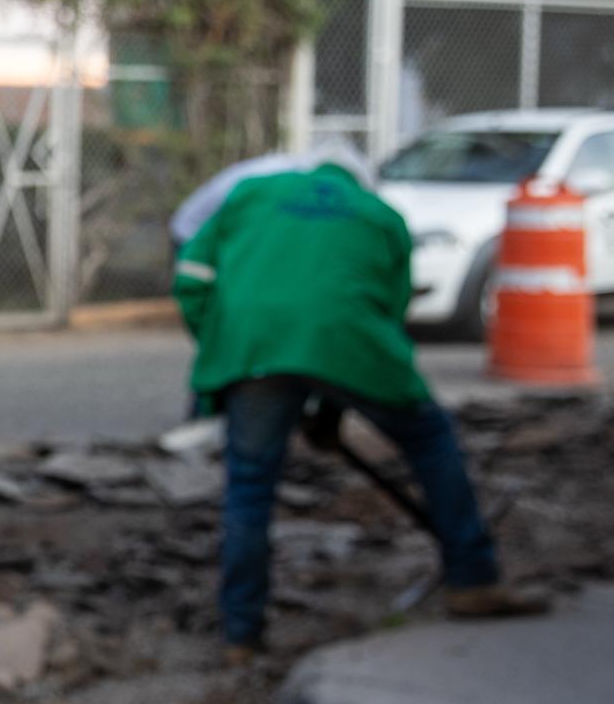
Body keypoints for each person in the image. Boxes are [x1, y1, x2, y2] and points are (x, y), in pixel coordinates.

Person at [173, 156, 544, 663]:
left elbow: (192, 277)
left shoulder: (251, 194)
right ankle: (472, 578)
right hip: (354, 347)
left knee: (250, 487)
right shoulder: (380, 215)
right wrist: (332, 397)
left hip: (252, 350)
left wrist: (224, 345)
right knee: (430, 438)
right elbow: (388, 311)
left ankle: (241, 635)